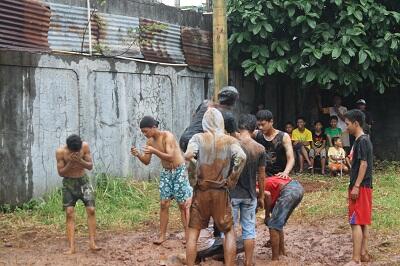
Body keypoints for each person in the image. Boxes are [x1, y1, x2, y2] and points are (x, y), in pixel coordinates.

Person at [184, 108, 246, 266]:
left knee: (193, 233)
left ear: (204, 122)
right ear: (221, 122)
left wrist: (193, 177)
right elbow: (242, 157)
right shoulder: (229, 140)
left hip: (201, 191)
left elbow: (189, 156)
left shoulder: (197, 138)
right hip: (220, 192)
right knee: (228, 231)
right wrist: (232, 179)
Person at [131, 116, 193, 245]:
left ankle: (188, 236)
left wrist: (154, 151)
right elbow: (146, 162)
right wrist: (138, 154)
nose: (144, 134)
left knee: (183, 205)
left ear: (154, 127)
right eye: (142, 132)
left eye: (146, 131)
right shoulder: (150, 142)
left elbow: (170, 157)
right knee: (164, 203)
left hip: (179, 171)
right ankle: (162, 235)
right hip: (166, 173)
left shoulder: (167, 136)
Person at [230, 114, 266, 266]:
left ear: (240, 127)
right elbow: (262, 176)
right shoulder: (260, 148)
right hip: (250, 195)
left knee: (230, 231)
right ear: (254, 129)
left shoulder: (231, 144)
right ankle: (248, 262)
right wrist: (262, 196)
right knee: (249, 231)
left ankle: (229, 262)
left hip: (231, 195)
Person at [55, 134, 100, 254]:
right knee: (69, 212)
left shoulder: (84, 147)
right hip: (69, 183)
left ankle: (92, 242)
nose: (75, 152)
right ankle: (71, 247)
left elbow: (90, 166)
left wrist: (80, 160)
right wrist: (70, 163)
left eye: (77, 151)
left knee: (91, 210)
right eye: (72, 151)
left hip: (83, 182)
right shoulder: (60, 152)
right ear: (68, 147)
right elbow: (61, 173)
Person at [344, 109, 373, 266]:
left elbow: (363, 164)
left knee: (355, 221)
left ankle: (355, 260)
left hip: (360, 187)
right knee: (363, 221)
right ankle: (363, 253)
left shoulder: (361, 141)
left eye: (347, 124)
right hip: (365, 186)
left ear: (356, 123)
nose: (346, 127)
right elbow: (358, 163)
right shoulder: (362, 140)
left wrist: (355, 186)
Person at [179, 86, 239, 152]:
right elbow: (234, 138)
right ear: (234, 102)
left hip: (184, 139)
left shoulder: (205, 103)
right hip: (197, 144)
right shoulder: (229, 116)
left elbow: (194, 116)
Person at [263, 176, 304, 261]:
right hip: (298, 188)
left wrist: (267, 215)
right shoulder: (267, 182)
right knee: (278, 224)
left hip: (289, 190)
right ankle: (281, 252)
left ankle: (275, 259)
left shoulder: (255, 188)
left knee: (273, 225)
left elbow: (267, 195)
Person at [254, 110, 295, 177]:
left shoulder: (284, 136)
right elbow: (241, 135)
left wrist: (285, 172)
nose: (260, 127)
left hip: (278, 175)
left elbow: (291, 158)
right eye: (258, 125)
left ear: (271, 122)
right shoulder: (256, 134)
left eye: (263, 124)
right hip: (261, 174)